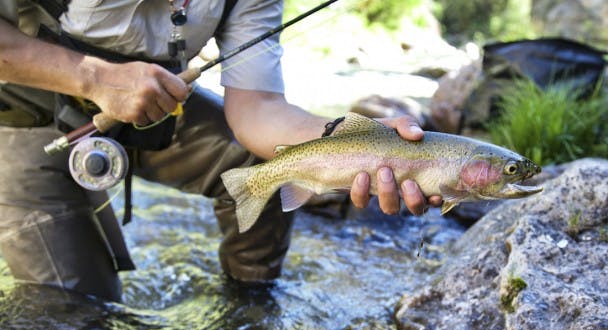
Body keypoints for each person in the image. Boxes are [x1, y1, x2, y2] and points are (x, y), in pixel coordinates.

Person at [0, 0, 441, 302]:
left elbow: (259, 109)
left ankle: (247, 307)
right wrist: (93, 79)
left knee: (267, 169)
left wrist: (342, 139)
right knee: (79, 313)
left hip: (158, 111)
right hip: (25, 116)